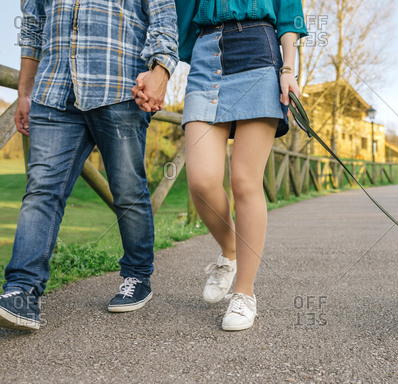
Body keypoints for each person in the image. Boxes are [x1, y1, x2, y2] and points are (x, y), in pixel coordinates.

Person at [0, 0, 179, 331]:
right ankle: (21, 290)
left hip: (120, 87)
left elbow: (164, 16)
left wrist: (160, 71)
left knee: (127, 190)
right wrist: (25, 91)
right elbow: (32, 25)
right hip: (54, 90)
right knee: (41, 190)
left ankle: (138, 275)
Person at [167, 0, 307, 331]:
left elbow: (289, 12)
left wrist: (288, 69)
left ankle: (245, 293)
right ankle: (229, 249)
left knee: (244, 180)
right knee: (201, 181)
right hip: (206, 53)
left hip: (258, 50)